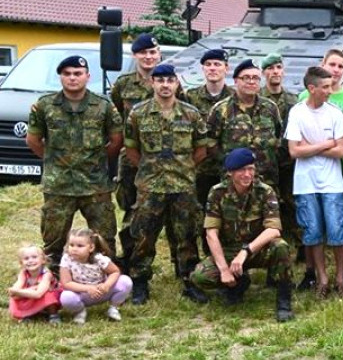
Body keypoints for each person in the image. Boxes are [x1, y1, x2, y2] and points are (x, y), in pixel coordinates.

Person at [26, 55, 122, 272]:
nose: (72, 78)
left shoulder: (103, 106)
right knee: (53, 239)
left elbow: (116, 140)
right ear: (60, 77)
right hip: (59, 185)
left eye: (77, 73)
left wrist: (96, 162)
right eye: (67, 74)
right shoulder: (44, 105)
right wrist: (54, 162)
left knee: (104, 237)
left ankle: (106, 277)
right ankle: (52, 280)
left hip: (95, 184)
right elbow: (33, 140)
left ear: (87, 76)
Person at [125, 64, 208, 305]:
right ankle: (140, 281)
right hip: (151, 187)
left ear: (176, 83)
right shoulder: (138, 113)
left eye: (170, 80)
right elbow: (131, 150)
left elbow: (201, 150)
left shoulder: (191, 114)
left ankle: (189, 280)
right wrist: (149, 170)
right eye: (160, 80)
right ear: (152, 83)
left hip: (182, 186)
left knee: (187, 235)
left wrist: (183, 169)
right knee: (144, 235)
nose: (165, 85)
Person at [190, 148, 295, 322]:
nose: (247, 174)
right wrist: (224, 270)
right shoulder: (217, 193)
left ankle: (284, 302)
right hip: (230, 250)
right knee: (200, 277)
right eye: (241, 170)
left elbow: (273, 229)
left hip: (257, 249)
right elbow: (211, 234)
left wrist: (246, 251)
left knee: (281, 247)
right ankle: (238, 283)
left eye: (251, 169)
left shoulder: (265, 191)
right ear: (230, 173)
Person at [110, 34, 182, 269]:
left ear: (159, 54)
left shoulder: (170, 81)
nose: (148, 57)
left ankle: (179, 262)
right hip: (132, 157)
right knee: (133, 208)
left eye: (153, 52)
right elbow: (118, 115)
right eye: (143, 52)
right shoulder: (123, 84)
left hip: (165, 156)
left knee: (173, 211)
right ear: (135, 55)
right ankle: (131, 257)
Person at [286, 66, 343, 298]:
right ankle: (322, 278)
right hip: (306, 183)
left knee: (337, 230)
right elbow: (294, 151)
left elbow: (341, 150)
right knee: (312, 232)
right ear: (311, 88)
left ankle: (341, 277)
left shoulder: (335, 113)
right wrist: (326, 143)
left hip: (332, 183)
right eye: (325, 87)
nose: (329, 91)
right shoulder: (297, 113)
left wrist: (309, 147)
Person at [207, 59, 283, 189]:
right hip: (233, 182)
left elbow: (279, 137)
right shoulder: (221, 109)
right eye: (246, 78)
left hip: (267, 180)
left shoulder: (270, 108)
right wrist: (228, 162)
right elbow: (210, 143)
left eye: (255, 78)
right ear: (236, 81)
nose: (251, 82)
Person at [259, 52, 302, 265]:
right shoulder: (258, 99)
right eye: (270, 68)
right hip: (265, 163)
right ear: (263, 73)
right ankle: (267, 246)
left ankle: (302, 245)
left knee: (295, 204)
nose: (275, 72)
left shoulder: (293, 100)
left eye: (278, 67)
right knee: (265, 205)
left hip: (289, 162)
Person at [185, 48, 233, 216]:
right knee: (200, 214)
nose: (212, 68)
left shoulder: (235, 97)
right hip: (201, 168)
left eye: (217, 64)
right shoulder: (190, 97)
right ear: (203, 68)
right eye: (208, 64)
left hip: (228, 168)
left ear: (226, 68)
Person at [58, 228, 133, 324]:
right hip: (81, 293)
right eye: (71, 245)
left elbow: (115, 272)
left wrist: (107, 285)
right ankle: (80, 311)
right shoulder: (66, 259)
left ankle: (114, 308)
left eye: (80, 246)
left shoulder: (99, 259)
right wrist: (88, 289)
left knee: (125, 281)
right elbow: (66, 283)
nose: (74, 249)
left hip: (101, 291)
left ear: (91, 248)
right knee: (66, 297)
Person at [7, 245, 60, 324]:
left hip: (46, 297)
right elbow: (15, 290)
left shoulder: (46, 274)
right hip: (32, 294)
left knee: (48, 295)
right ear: (21, 263)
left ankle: (53, 315)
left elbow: (39, 294)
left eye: (34, 257)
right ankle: (28, 314)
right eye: (26, 258)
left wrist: (18, 291)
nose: (30, 261)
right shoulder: (23, 273)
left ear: (43, 260)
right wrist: (16, 292)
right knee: (17, 297)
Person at [298, 49, 343, 120]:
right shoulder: (305, 95)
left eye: (340, 67)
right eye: (332, 65)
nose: (336, 70)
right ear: (323, 65)